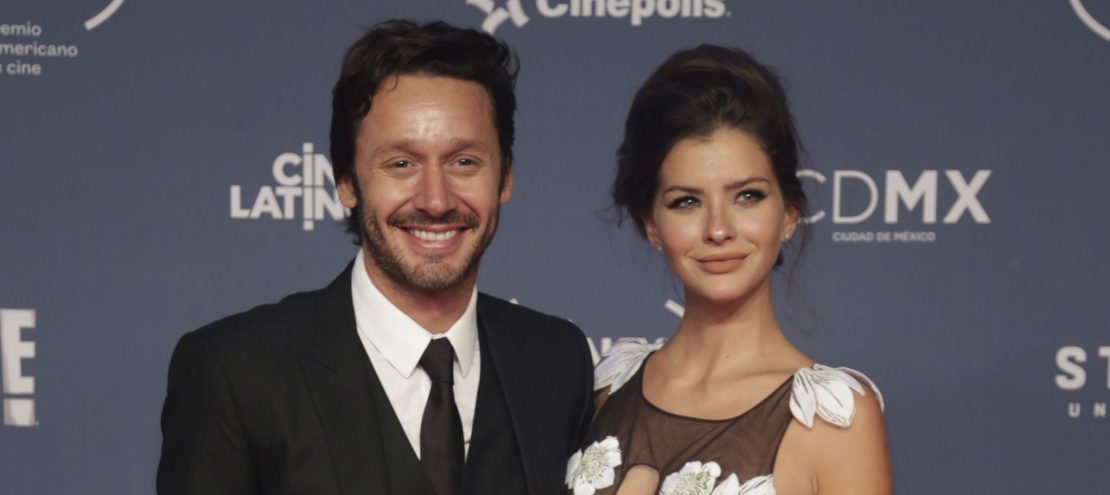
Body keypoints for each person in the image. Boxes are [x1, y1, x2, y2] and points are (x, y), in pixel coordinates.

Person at [157, 20, 594, 495]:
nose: (435, 200)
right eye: (401, 164)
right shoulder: (236, 373)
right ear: (346, 181)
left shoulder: (556, 361)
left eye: (464, 162)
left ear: (505, 176)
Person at [564, 45, 891, 495]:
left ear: (790, 213)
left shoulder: (832, 417)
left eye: (747, 196)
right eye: (687, 202)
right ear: (652, 225)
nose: (718, 229)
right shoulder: (607, 385)